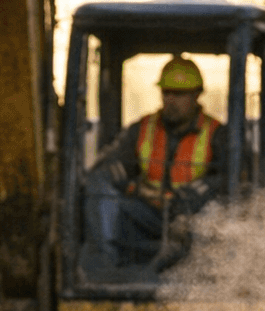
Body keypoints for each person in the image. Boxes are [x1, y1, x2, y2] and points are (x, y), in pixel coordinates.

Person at [86, 55, 228, 269]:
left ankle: (196, 266)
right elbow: (115, 168)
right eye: (166, 92)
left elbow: (233, 178)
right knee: (99, 186)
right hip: (148, 212)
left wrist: (194, 195)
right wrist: (135, 189)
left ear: (197, 94)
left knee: (215, 215)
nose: (171, 100)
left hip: (193, 217)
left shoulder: (218, 134)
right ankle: (107, 266)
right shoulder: (142, 129)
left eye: (179, 94)